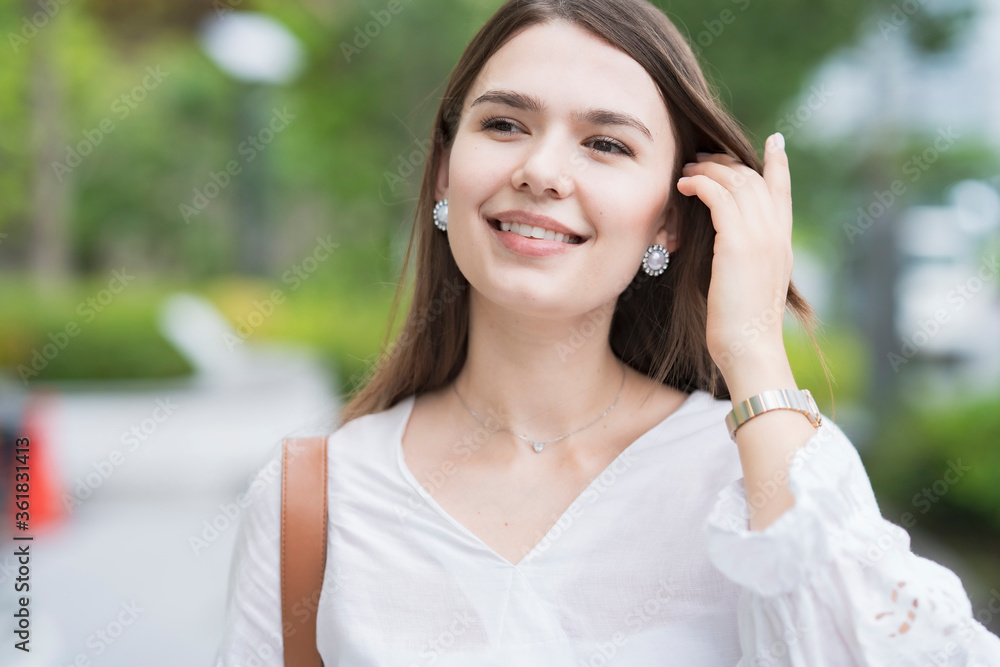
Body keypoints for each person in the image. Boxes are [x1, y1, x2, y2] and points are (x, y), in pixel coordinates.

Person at [216, 0, 1000, 664]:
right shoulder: (318, 498)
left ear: (668, 221)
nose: (543, 171)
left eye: (606, 144)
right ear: (445, 172)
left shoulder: (761, 478)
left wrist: (756, 348)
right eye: (505, 124)